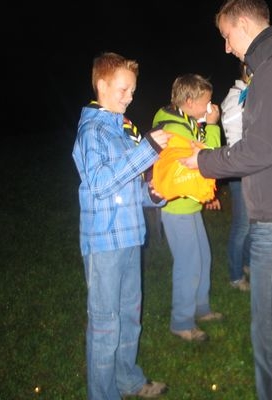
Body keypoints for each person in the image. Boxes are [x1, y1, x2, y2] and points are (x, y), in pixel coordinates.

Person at [182, 1, 272, 398]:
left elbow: (259, 150)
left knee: (271, 337)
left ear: (244, 24)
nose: (226, 47)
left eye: (227, 36)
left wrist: (202, 161)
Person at [72, 52, 170, 399]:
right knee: (105, 325)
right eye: (123, 90)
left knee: (130, 316)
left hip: (130, 238)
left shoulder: (122, 130)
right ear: (102, 85)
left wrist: (153, 194)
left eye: (132, 91)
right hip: (104, 243)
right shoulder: (92, 131)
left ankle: (128, 379)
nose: (129, 97)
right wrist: (148, 150)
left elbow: (126, 184)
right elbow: (100, 184)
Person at [151, 73, 224, 342]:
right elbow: (210, 158)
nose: (210, 106)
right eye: (206, 102)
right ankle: (181, 322)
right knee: (188, 263)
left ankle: (201, 308)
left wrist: (207, 195)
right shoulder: (175, 129)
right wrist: (212, 125)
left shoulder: (184, 121)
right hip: (176, 207)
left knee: (202, 256)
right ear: (190, 101)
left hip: (188, 203)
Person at [221, 61, 252, 291]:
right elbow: (236, 141)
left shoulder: (248, 94)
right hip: (241, 171)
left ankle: (247, 264)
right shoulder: (237, 98)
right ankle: (235, 276)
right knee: (241, 226)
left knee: (251, 223)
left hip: (250, 170)